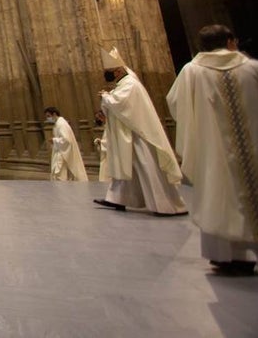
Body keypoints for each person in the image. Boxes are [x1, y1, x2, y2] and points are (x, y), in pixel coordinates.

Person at [167, 24, 258, 274]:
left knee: (219, 192)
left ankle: (226, 254)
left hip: (214, 150)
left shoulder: (191, 72)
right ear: (230, 41)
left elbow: (175, 103)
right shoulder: (252, 68)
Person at [97, 47, 185, 215]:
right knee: (129, 165)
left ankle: (165, 205)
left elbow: (120, 104)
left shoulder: (130, 84)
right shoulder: (124, 83)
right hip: (129, 133)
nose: (107, 74)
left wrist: (106, 97)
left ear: (118, 70)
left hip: (139, 134)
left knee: (147, 167)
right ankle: (117, 199)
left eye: (109, 71)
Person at [45, 107, 87, 182]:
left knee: (60, 175)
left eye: (48, 116)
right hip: (60, 151)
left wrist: (54, 140)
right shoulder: (58, 123)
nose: (48, 118)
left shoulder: (61, 124)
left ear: (54, 114)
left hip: (62, 154)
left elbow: (67, 140)